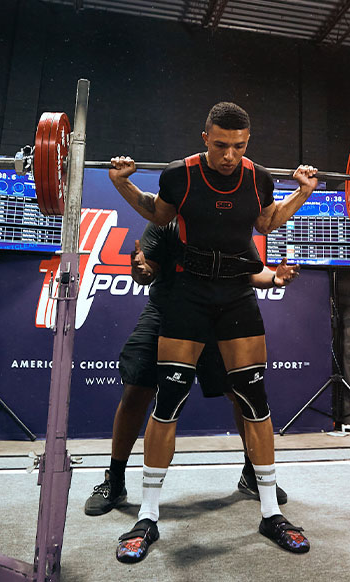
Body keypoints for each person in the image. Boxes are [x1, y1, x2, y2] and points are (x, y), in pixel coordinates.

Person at [107, 102, 319, 563]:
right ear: (205, 137)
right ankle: (147, 515)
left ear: (248, 141)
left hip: (237, 294)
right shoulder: (179, 175)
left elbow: (266, 222)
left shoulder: (259, 178)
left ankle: (270, 512)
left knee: (255, 401)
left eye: (238, 146)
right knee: (168, 401)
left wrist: (302, 192)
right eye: (221, 145)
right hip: (187, 294)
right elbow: (158, 215)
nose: (229, 155)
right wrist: (123, 184)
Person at [84, 221, 297, 517]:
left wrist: (274, 278)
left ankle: (252, 473)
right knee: (136, 389)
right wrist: (140, 270)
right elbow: (146, 272)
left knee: (242, 394)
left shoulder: (227, 223)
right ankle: (115, 480)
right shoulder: (165, 223)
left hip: (216, 315)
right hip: (165, 311)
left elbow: (249, 271)